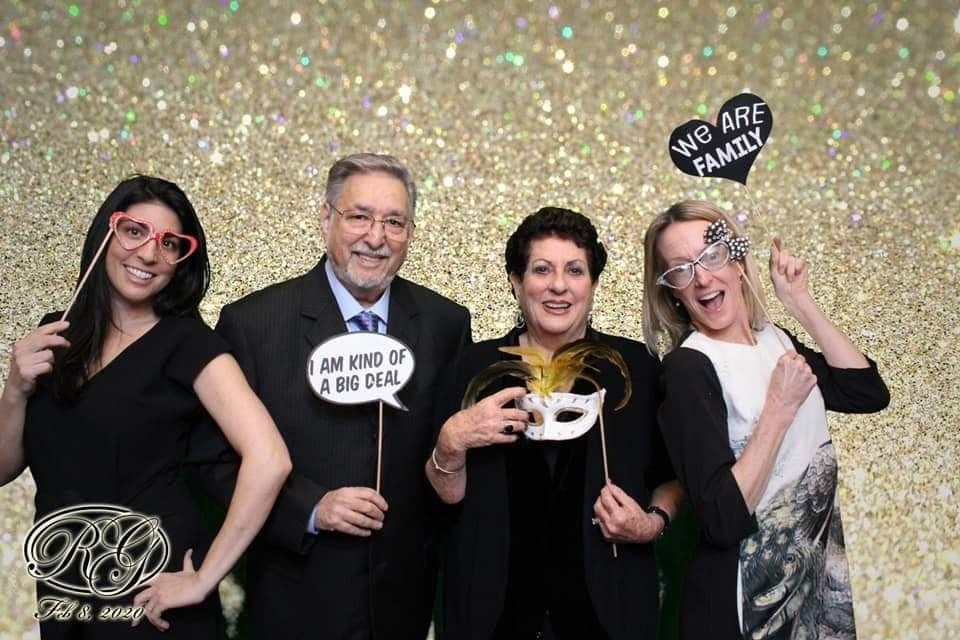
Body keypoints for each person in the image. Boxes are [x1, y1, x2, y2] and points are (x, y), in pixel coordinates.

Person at [185, 153, 472, 639]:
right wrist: (312, 508)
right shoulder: (254, 323)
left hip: (403, 605)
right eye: (359, 216)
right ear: (326, 218)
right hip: (295, 600)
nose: (376, 238)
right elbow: (212, 461)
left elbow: (452, 458)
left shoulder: (446, 323)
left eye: (394, 222)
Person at [0, 175, 292, 638]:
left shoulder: (188, 343)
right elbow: (5, 467)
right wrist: (15, 388)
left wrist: (203, 577)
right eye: (135, 231)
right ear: (106, 234)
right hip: (65, 594)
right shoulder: (55, 333)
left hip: (149, 597)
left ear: (180, 260)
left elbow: (270, 459)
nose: (150, 253)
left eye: (170, 243)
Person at [428, 207, 682, 640]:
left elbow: (672, 476)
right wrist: (452, 441)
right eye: (541, 269)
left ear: (593, 283)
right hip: (490, 612)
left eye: (575, 271)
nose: (558, 285)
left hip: (608, 608)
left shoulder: (634, 369)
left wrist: (653, 521)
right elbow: (443, 495)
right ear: (516, 281)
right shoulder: (472, 368)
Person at [642, 200, 890, 639]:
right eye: (681, 269)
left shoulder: (776, 340)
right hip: (741, 610)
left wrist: (800, 302)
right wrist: (778, 410)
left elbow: (866, 392)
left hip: (811, 595)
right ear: (670, 290)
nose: (702, 278)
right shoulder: (690, 367)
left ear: (737, 261)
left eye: (712, 255)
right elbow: (720, 518)